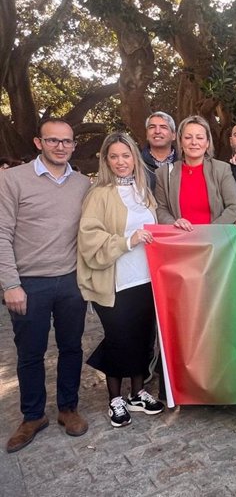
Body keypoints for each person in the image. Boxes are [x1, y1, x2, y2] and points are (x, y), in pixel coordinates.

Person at [0, 118, 91, 453]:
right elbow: (2, 234)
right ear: (39, 143)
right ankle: (33, 415)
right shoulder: (13, 180)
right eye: (53, 141)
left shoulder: (83, 184)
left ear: (73, 145)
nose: (61, 147)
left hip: (71, 281)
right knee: (29, 353)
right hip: (28, 283)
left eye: (67, 141)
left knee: (71, 348)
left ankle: (68, 408)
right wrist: (10, 283)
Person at [77, 132, 164, 428]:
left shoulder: (144, 191)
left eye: (125, 155)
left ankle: (137, 392)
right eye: (113, 156)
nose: (120, 162)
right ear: (106, 160)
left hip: (146, 278)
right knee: (118, 338)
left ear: (134, 158)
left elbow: (155, 227)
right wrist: (128, 241)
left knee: (142, 336)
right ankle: (115, 397)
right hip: (115, 281)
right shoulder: (99, 193)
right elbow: (89, 238)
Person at [155, 115, 236, 230]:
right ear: (180, 142)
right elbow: (161, 209)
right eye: (188, 137)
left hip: (214, 241)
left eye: (200, 138)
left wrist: (209, 232)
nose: (194, 142)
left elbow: (235, 207)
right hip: (180, 241)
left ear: (207, 143)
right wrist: (174, 223)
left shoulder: (221, 169)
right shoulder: (164, 173)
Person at [142, 111, 178, 189]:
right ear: (147, 135)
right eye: (152, 127)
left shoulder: (184, 163)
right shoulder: (136, 163)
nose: (157, 131)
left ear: (173, 135)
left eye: (163, 127)